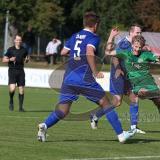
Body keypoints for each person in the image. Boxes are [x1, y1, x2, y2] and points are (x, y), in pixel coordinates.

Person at [37, 11, 135, 143]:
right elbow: (89, 52)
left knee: (63, 110)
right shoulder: (93, 37)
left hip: (69, 79)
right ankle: (121, 134)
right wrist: (94, 71)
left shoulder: (74, 36)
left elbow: (63, 52)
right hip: (84, 78)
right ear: (95, 25)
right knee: (106, 104)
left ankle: (44, 125)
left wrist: (76, 57)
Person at [91, 26, 160, 136]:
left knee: (159, 102)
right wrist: (111, 37)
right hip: (125, 78)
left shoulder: (144, 52)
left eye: (140, 33)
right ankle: (99, 117)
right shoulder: (124, 48)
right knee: (122, 100)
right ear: (131, 35)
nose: (137, 49)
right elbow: (110, 54)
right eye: (137, 32)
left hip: (148, 83)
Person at [2, 34, 29, 112]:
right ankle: (11, 101)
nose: (18, 41)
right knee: (12, 89)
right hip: (12, 71)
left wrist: (27, 60)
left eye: (19, 40)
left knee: (21, 89)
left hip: (21, 71)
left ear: (21, 41)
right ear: (14, 41)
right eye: (17, 40)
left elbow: (26, 59)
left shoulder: (24, 50)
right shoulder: (10, 50)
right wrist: (10, 59)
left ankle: (21, 107)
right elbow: (3, 60)